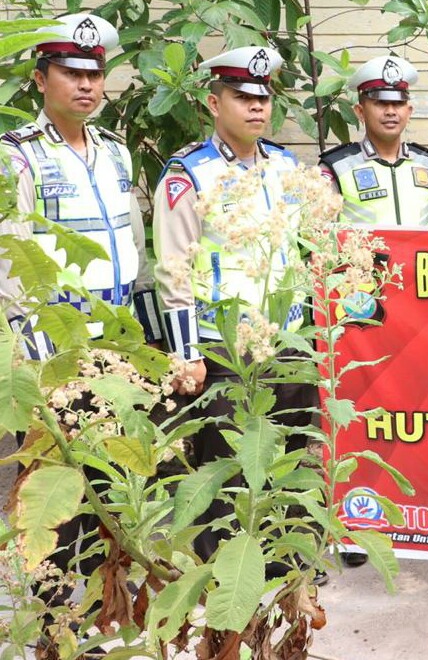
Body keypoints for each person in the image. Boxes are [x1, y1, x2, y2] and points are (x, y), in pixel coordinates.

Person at [0, 12, 160, 651]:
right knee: (51, 492)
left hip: (113, 352)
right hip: (53, 355)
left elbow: (137, 255)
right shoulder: (17, 155)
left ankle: (103, 607)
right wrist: (36, 362)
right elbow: (11, 260)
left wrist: (144, 350)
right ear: (41, 78)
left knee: (111, 483)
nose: (87, 85)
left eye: (96, 73)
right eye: (72, 72)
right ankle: (48, 618)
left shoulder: (117, 153)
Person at [152, 45, 320, 570]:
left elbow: (303, 251)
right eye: (242, 97)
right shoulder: (189, 175)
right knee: (225, 464)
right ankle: (226, 570)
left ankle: (282, 563)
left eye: (263, 98)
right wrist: (185, 354)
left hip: (287, 346)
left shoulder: (286, 166)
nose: (256, 108)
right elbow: (172, 270)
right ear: (213, 101)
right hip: (224, 349)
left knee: (286, 453)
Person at [319, 54, 428, 227]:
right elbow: (318, 237)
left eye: (398, 103)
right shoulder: (337, 166)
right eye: (381, 103)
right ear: (360, 112)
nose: (390, 111)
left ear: (409, 111)